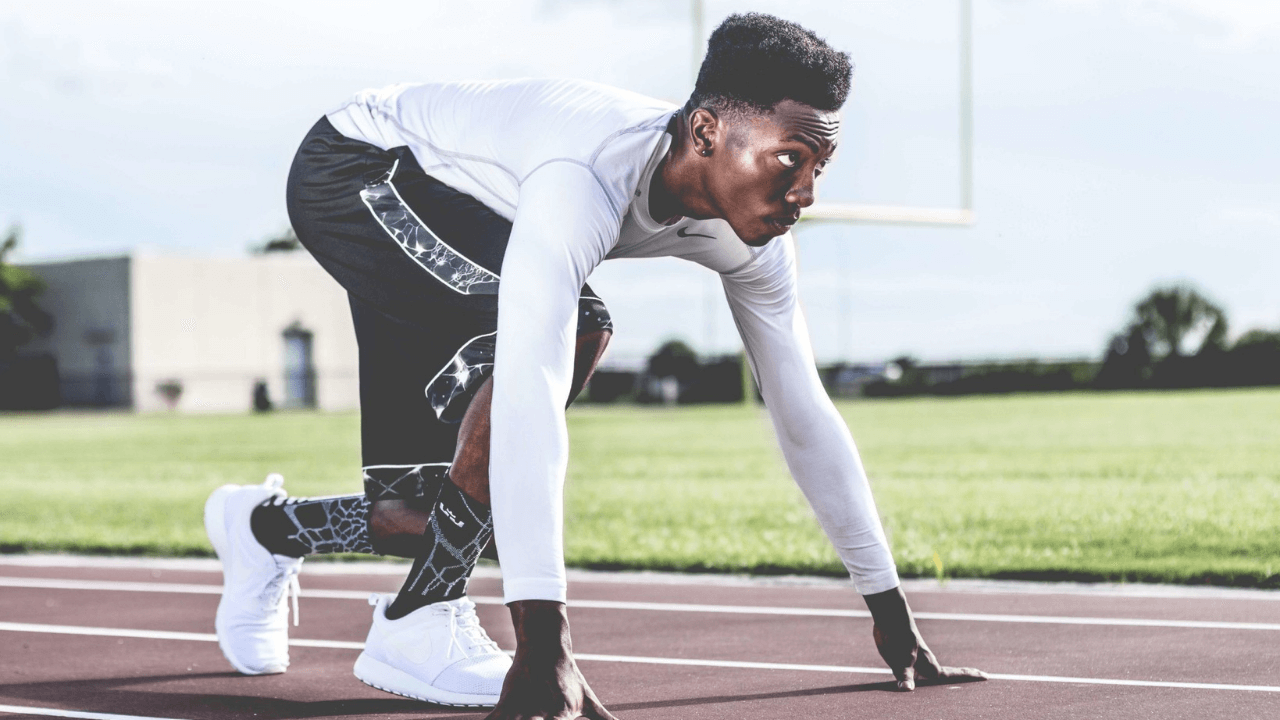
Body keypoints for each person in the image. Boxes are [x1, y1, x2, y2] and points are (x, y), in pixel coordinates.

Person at [203, 12, 986, 719]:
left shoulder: (756, 242)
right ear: (708, 132)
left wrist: (892, 619)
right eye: (791, 158)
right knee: (577, 327)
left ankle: (263, 528)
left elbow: (804, 413)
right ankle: (418, 620)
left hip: (459, 206)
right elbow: (533, 394)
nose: (806, 190)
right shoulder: (582, 177)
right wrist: (544, 648)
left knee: (424, 513)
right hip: (358, 170)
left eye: (821, 166)